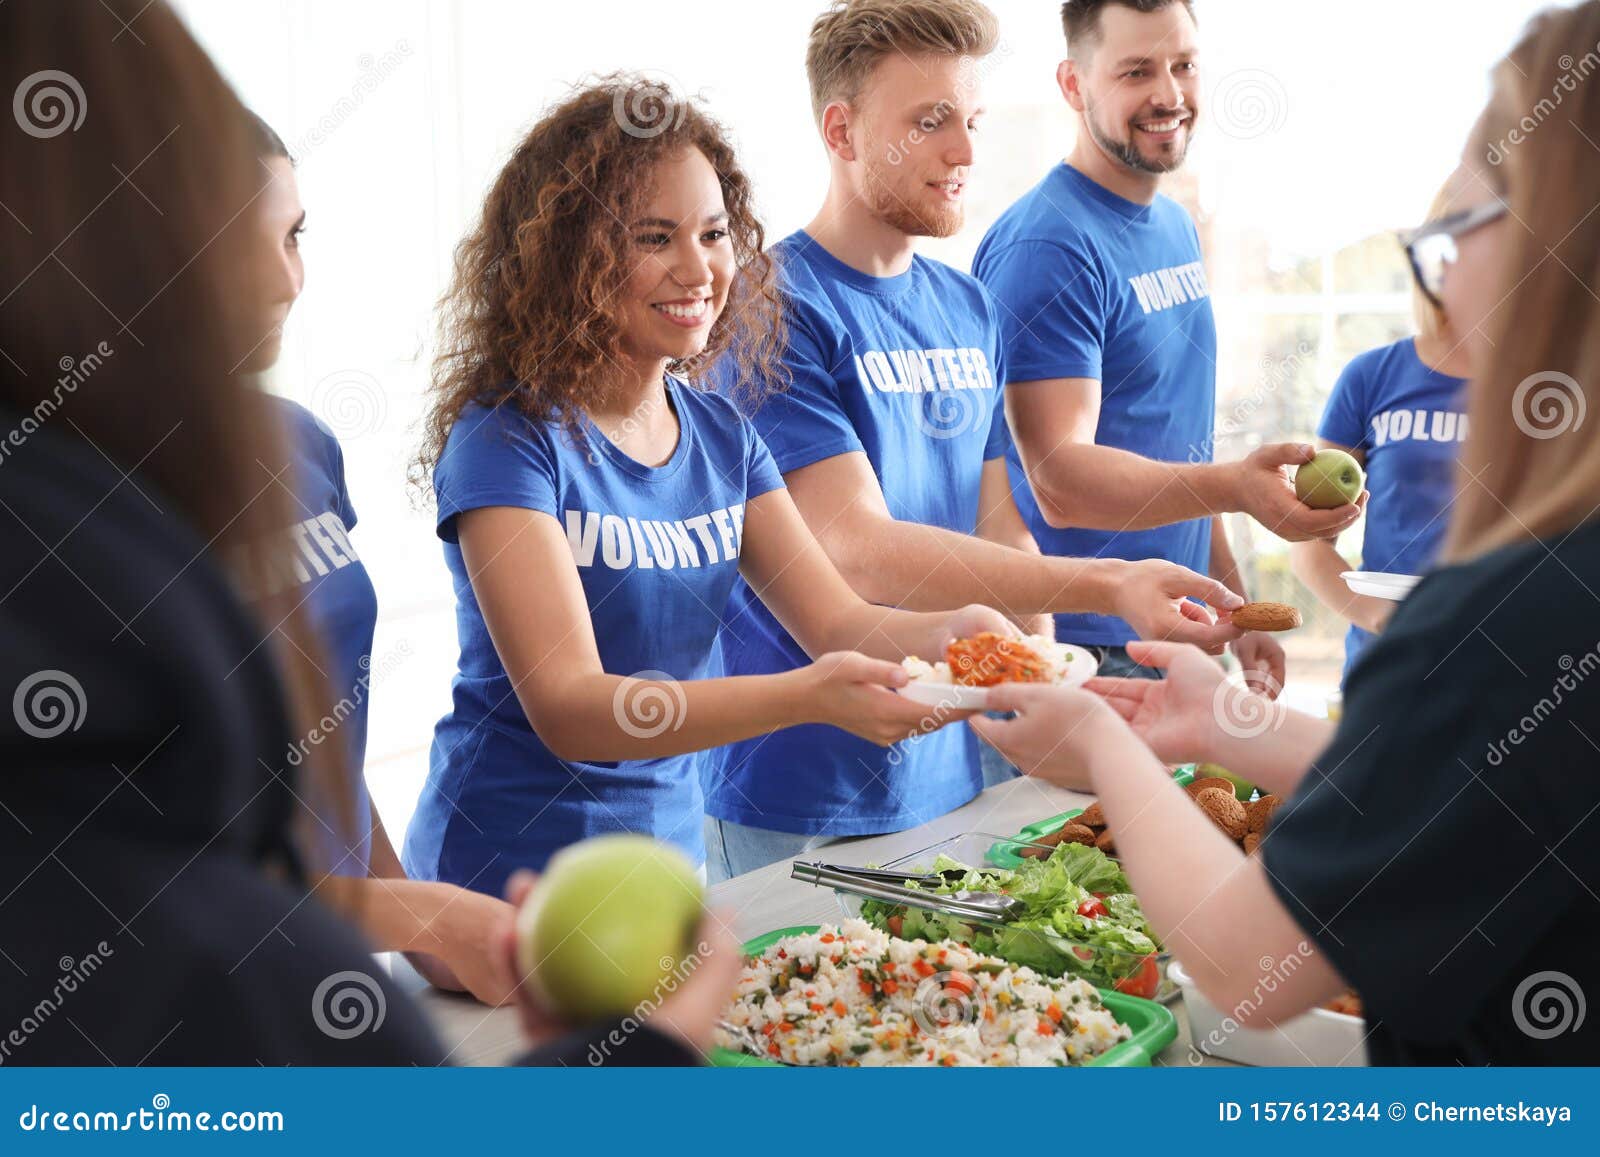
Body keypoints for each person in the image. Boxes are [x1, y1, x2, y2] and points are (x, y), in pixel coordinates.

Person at [969, 0, 1600, 1065]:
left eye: (1455, 231)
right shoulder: (1541, 598)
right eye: (1137, 69)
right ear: (1075, 86)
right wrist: (1229, 726)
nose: (1436, 274)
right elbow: (1469, 786)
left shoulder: (1507, 610)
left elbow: (1246, 959)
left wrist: (1098, 740)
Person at [402, 76, 1007, 902]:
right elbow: (570, 705)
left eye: (715, 233)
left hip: (667, 868)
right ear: (571, 257)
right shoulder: (505, 440)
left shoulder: (724, 436)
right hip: (502, 881)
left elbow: (839, 620)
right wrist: (806, 696)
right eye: (655, 237)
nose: (699, 269)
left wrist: (963, 634)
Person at [704, 0, 1247, 883]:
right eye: (928, 123)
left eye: (970, 121)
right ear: (841, 131)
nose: (963, 152)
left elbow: (1004, 527)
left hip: (954, 772)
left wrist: (1050, 682)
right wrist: (1106, 581)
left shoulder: (967, 307)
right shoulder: (772, 310)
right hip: (798, 793)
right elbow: (859, 549)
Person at [973, 0, 1364, 690]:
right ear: (1073, 85)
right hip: (1087, 647)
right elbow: (1059, 481)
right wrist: (1241, 488)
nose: (1169, 95)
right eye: (1136, 71)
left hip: (1176, 625)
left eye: (1184, 65)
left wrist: (1235, 603)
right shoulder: (1048, 247)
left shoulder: (1173, 224)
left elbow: (1175, 445)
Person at [235, 115, 515, 1005]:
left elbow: (327, 757)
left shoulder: (302, 445)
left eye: (294, 236)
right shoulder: (84, 503)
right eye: (243, 244)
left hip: (336, 975)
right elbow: (145, 863)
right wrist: (423, 917)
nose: (287, 280)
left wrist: (414, 927)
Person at [1290, 183, 1472, 685]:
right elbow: (1308, 545)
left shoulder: (1550, 387)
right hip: (1388, 669)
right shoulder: (1371, 377)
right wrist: (1382, 621)